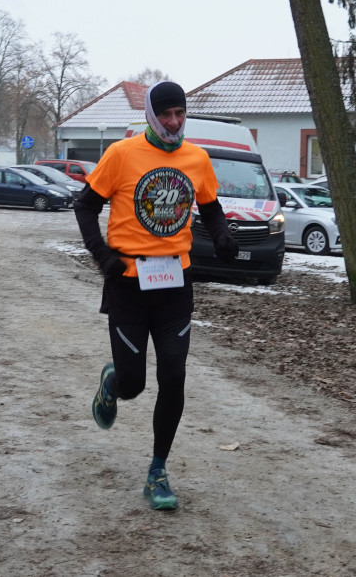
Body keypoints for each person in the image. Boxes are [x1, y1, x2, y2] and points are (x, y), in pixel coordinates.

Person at [74, 80, 239, 510]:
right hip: (127, 284)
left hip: (174, 286)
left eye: (179, 113)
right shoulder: (121, 154)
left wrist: (221, 236)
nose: (173, 122)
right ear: (150, 115)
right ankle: (114, 381)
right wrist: (102, 255)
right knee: (134, 383)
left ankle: (157, 470)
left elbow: (210, 205)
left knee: (174, 374)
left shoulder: (196, 158)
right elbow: (85, 206)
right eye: (165, 114)